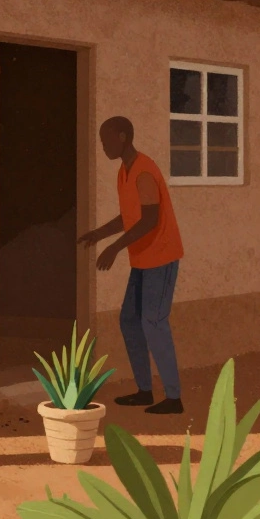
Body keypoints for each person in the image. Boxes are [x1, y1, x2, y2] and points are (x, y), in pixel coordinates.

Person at [79, 117, 184, 415]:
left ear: (123, 137)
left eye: (106, 140)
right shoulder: (124, 172)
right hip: (142, 260)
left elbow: (150, 220)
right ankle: (144, 391)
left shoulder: (144, 171)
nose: (103, 146)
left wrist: (114, 247)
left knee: (153, 322)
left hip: (161, 258)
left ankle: (174, 397)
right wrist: (98, 235)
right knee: (129, 320)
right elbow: (130, 216)